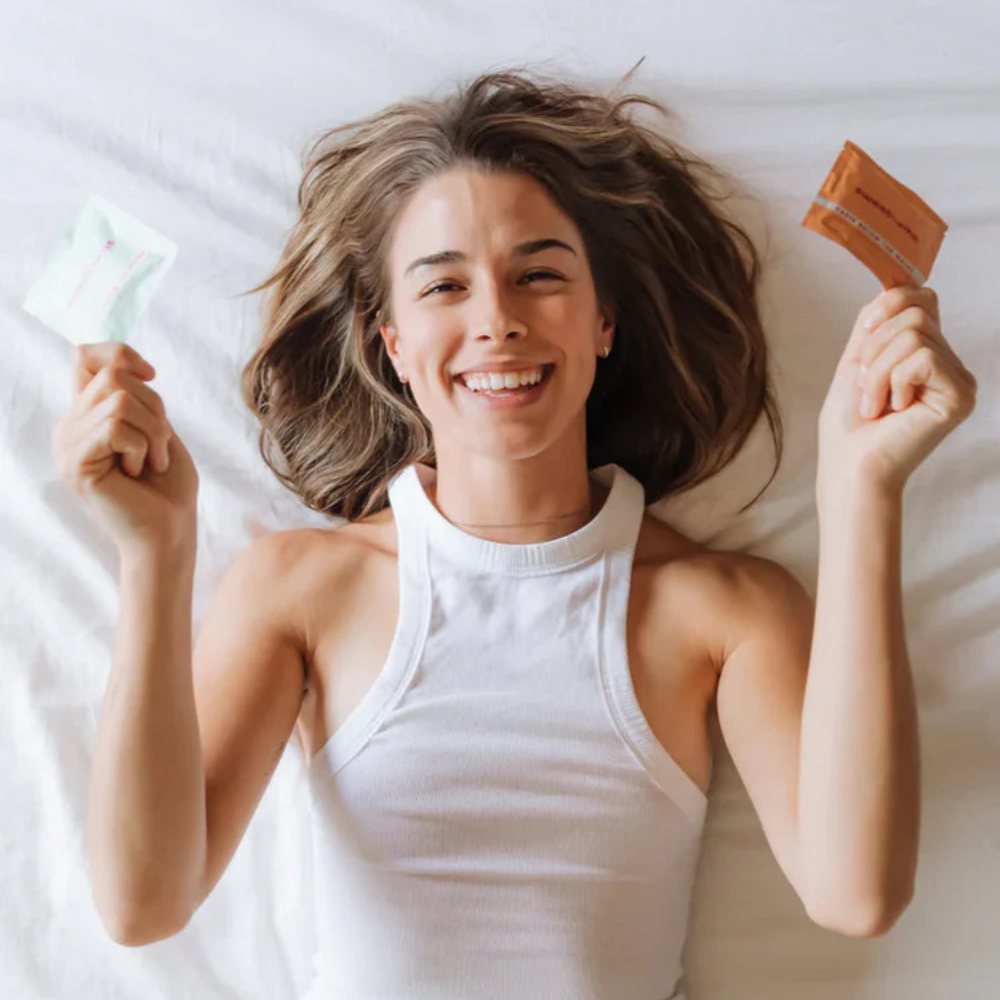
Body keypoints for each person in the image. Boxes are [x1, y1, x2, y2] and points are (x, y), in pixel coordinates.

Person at [54, 65, 977, 997]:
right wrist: (154, 554)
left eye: (539, 275)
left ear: (603, 320)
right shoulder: (298, 588)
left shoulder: (724, 607)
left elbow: (856, 894)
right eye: (444, 287)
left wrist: (863, 487)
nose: (496, 320)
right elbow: (144, 905)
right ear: (393, 343)